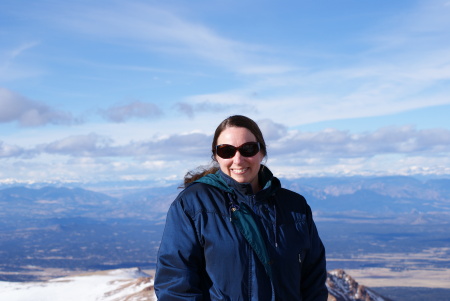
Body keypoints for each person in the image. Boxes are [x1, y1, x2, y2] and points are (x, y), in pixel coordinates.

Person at [155, 115, 328, 300]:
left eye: (248, 149)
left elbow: (314, 281)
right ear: (216, 156)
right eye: (226, 151)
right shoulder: (193, 204)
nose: (238, 159)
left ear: (262, 152)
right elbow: (175, 283)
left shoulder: (295, 206)